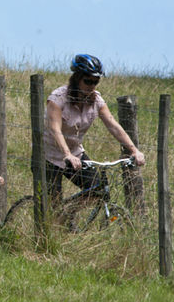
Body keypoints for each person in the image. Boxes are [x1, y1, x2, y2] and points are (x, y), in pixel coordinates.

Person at [44, 54, 146, 210]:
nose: (91, 85)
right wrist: (67, 154)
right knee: (52, 206)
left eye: (95, 82)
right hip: (48, 155)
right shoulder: (58, 99)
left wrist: (134, 150)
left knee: (96, 190)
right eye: (87, 81)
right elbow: (54, 129)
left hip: (75, 153)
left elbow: (113, 125)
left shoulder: (96, 100)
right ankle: (56, 222)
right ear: (77, 78)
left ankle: (68, 213)